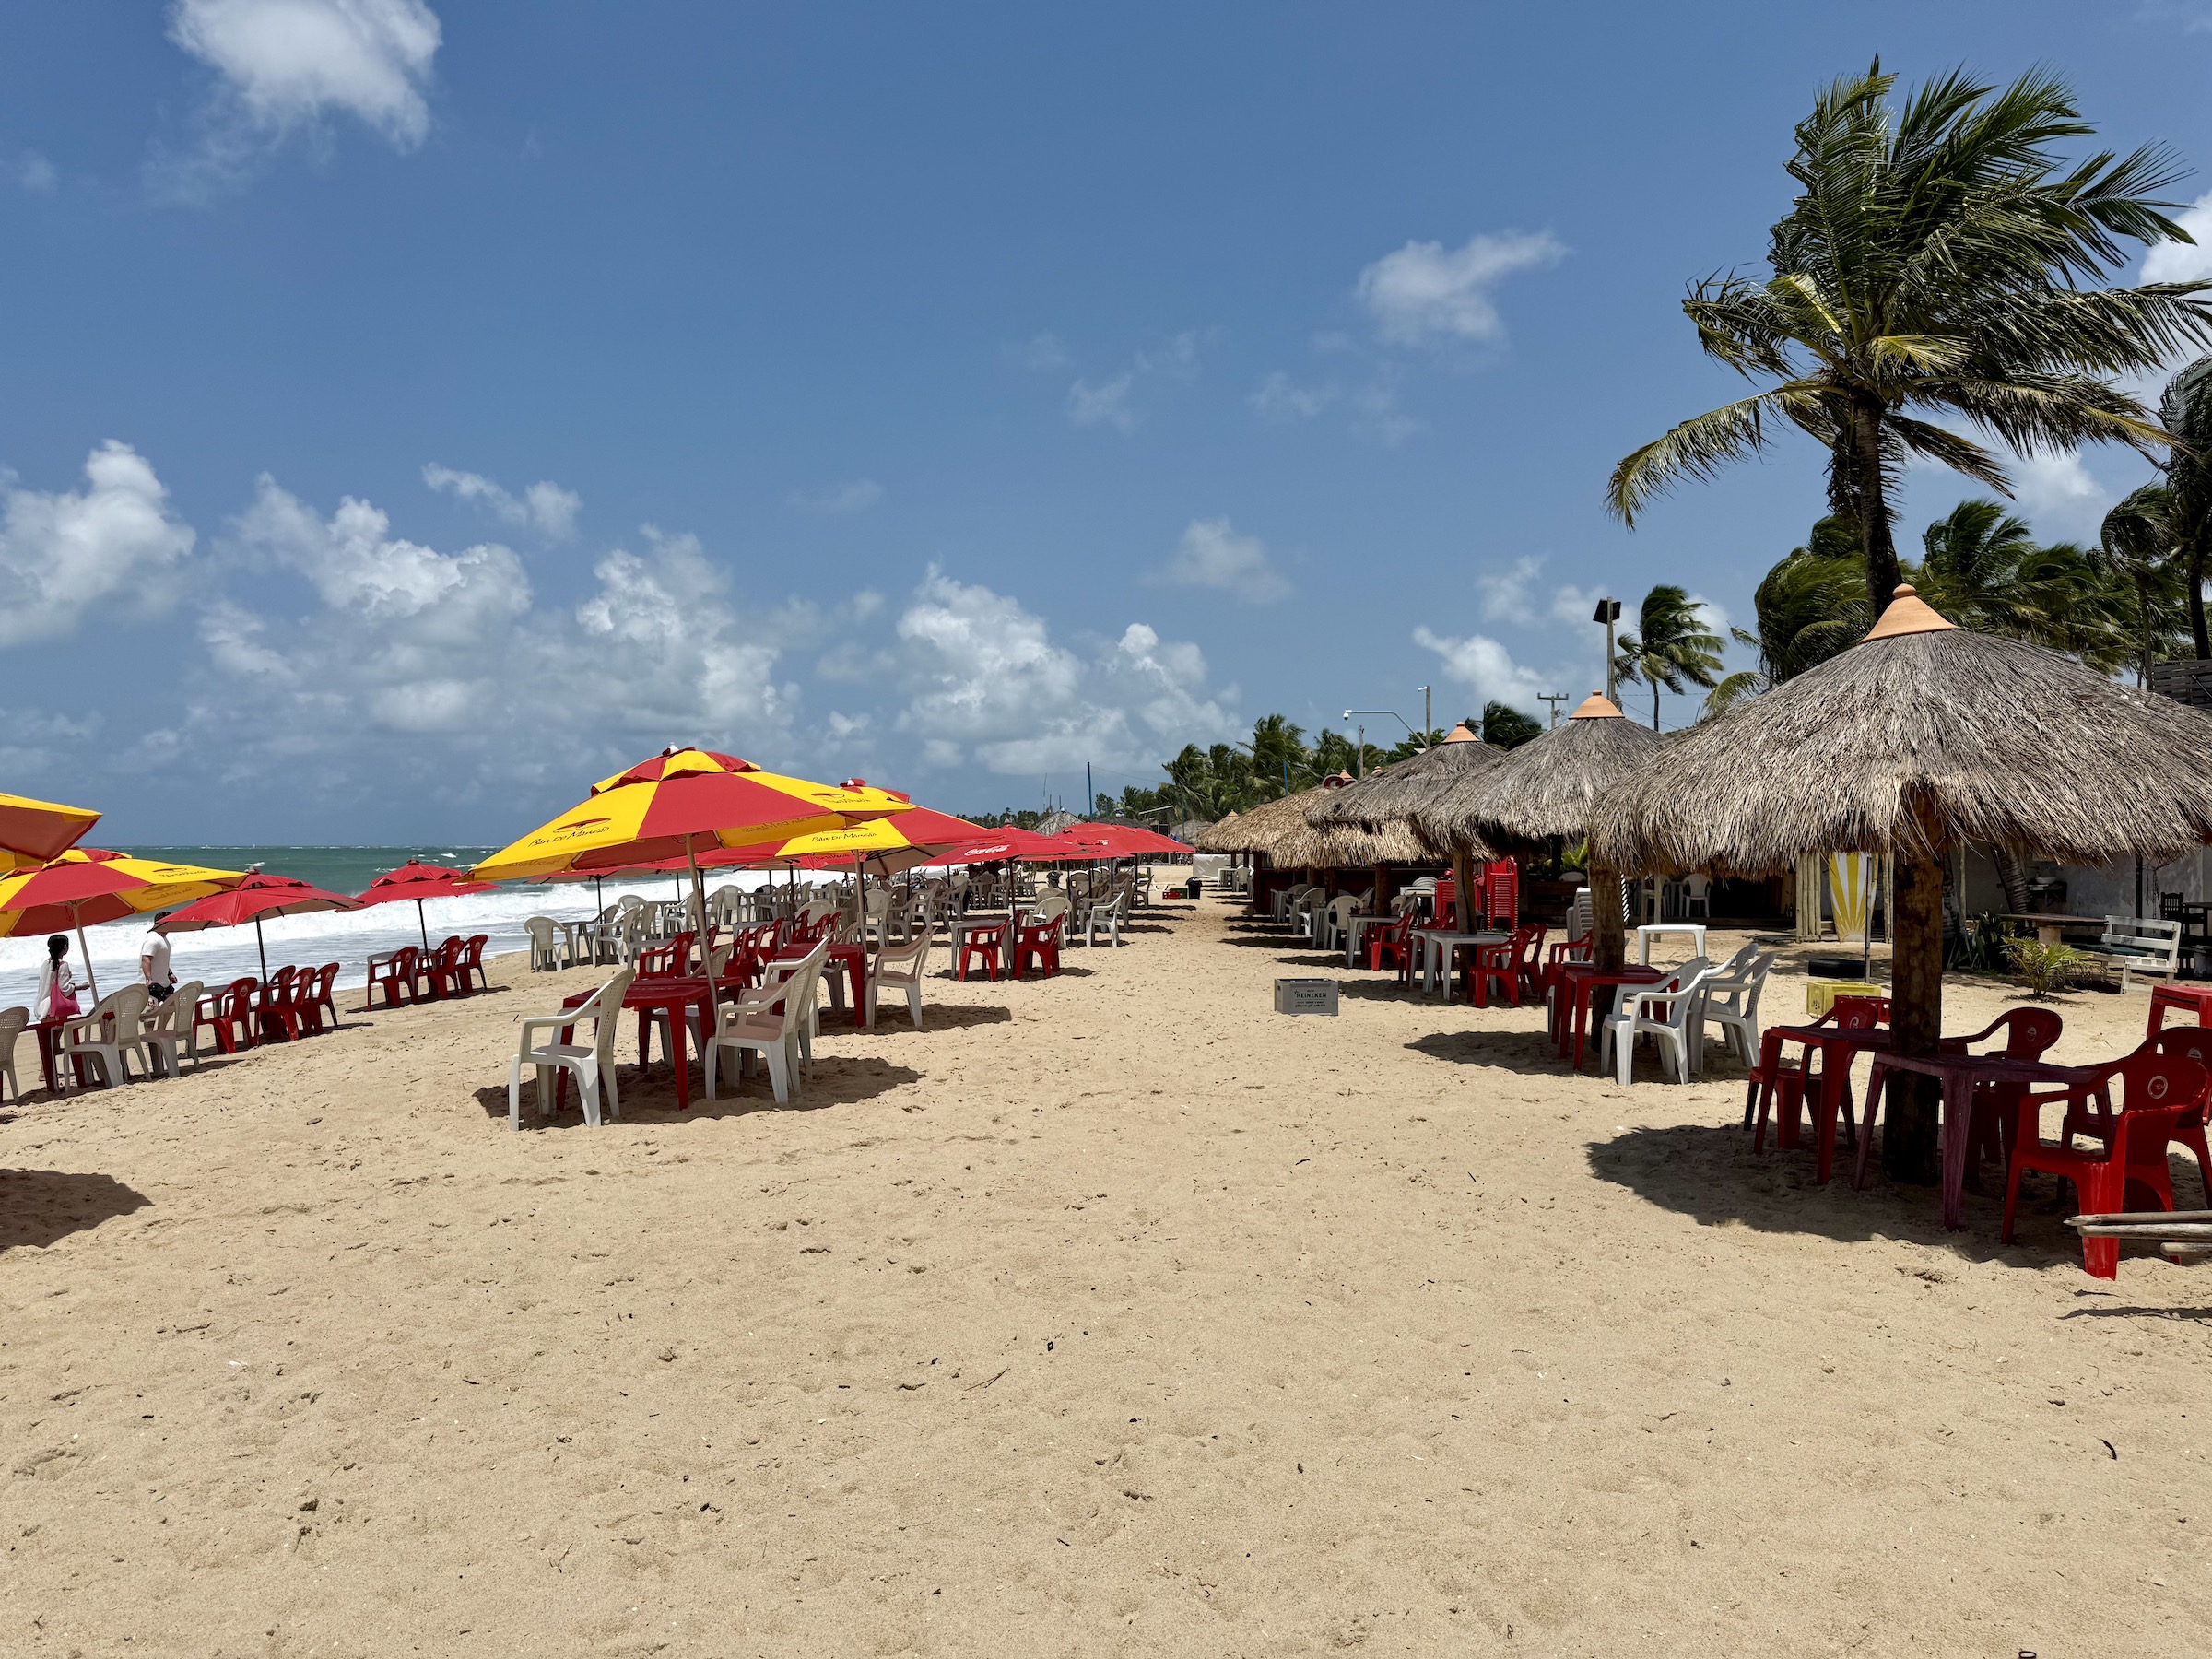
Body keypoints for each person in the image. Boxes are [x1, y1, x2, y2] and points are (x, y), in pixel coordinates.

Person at [34, 935, 81, 1022]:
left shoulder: (45, 963)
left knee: (47, 1035)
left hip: (42, 1006)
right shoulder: (63, 965)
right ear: (65, 947)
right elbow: (65, 989)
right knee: (55, 1034)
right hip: (54, 1006)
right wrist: (80, 987)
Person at [139, 913, 177, 1004]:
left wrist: (169, 973)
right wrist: (149, 979)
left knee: (172, 1006)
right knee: (150, 1014)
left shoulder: (162, 939)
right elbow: (146, 959)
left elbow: (161, 961)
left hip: (164, 983)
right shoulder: (153, 939)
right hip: (152, 985)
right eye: (169, 922)